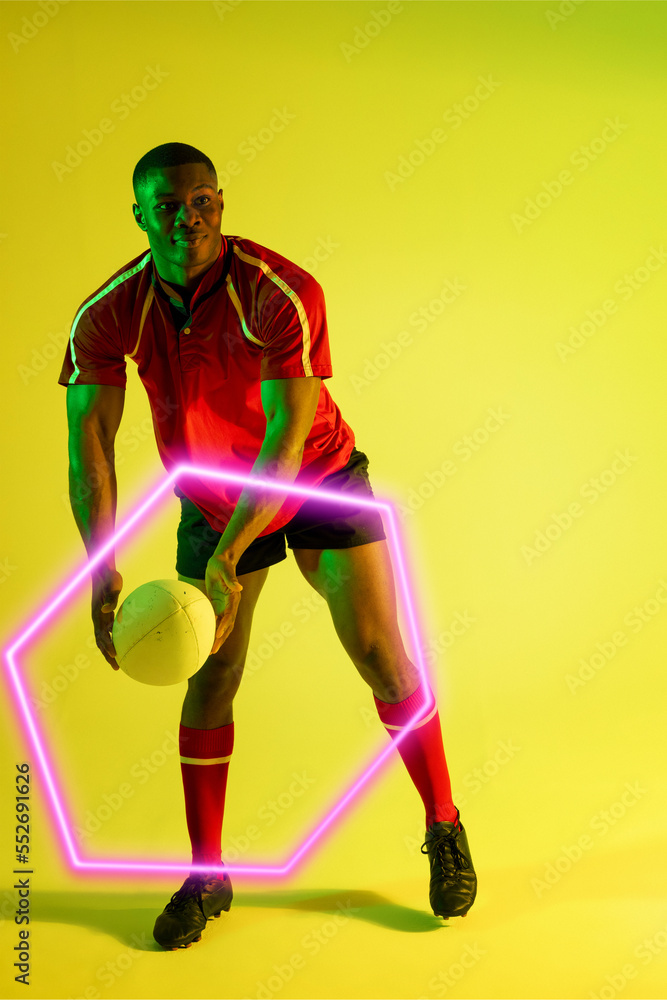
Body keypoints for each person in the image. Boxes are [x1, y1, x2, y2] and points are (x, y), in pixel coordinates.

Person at [58, 142, 476, 950]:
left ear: (221, 203)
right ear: (139, 214)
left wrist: (230, 554)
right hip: (211, 498)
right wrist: (100, 569)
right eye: (167, 205)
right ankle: (206, 874)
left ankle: (445, 822)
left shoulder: (280, 290)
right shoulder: (109, 312)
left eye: (202, 201)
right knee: (212, 673)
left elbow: (287, 436)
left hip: (316, 480)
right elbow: (91, 452)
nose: (187, 218)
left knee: (380, 655)